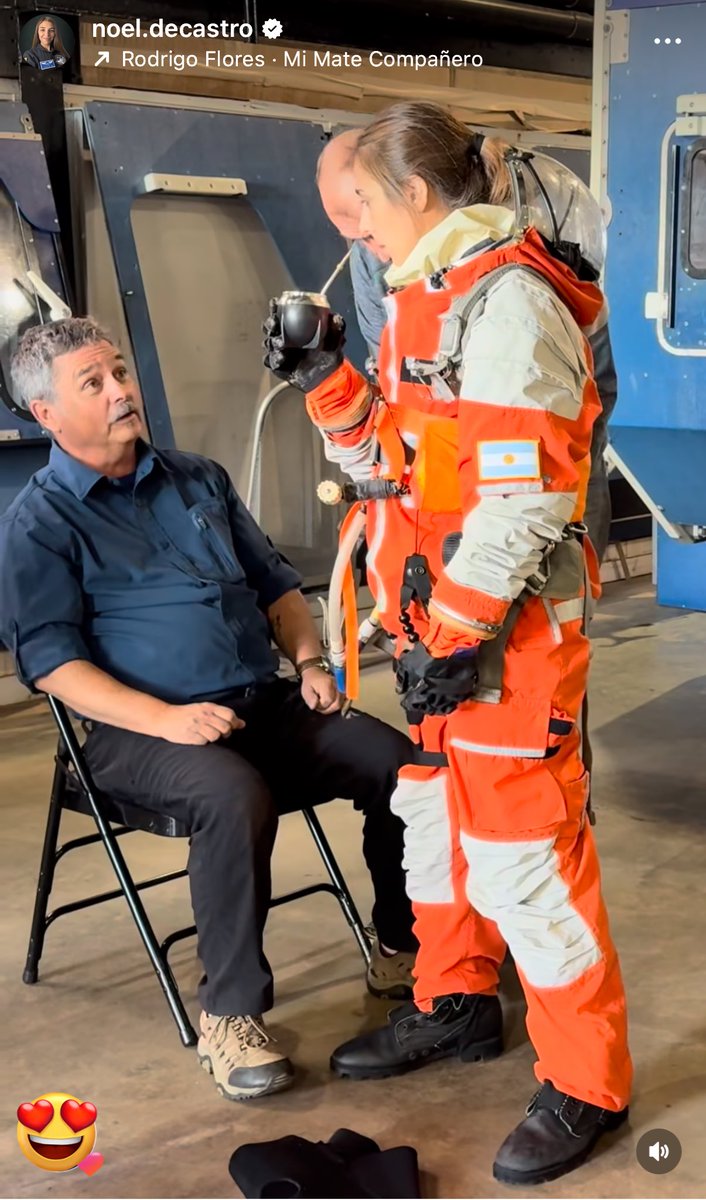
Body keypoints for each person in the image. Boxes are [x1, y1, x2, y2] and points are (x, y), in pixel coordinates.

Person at [265, 101, 632, 1185]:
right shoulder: (427, 299)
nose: (349, 236)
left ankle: (587, 1085)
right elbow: (393, 463)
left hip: (501, 646)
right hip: (434, 636)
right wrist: (327, 378)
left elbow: (522, 507)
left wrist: (459, 634)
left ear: (416, 194)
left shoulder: (509, 305)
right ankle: (456, 1004)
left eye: (356, 210)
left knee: (528, 865)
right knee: (434, 828)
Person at [0, 317, 420, 1102]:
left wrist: (309, 663)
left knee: (397, 764)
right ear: (46, 414)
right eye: (93, 383)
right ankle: (229, 1015)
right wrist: (163, 719)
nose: (122, 391)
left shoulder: (197, 477)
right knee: (232, 794)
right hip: (136, 733)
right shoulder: (40, 523)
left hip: (259, 701)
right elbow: (51, 665)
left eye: (119, 372)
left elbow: (278, 587)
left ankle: (401, 942)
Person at [316, 127, 618, 563]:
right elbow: (395, 391)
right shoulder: (374, 255)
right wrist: (325, 383)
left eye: (367, 226)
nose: (370, 244)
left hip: (517, 514)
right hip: (436, 526)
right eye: (353, 237)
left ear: (413, 193)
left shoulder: (518, 281)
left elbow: (586, 402)